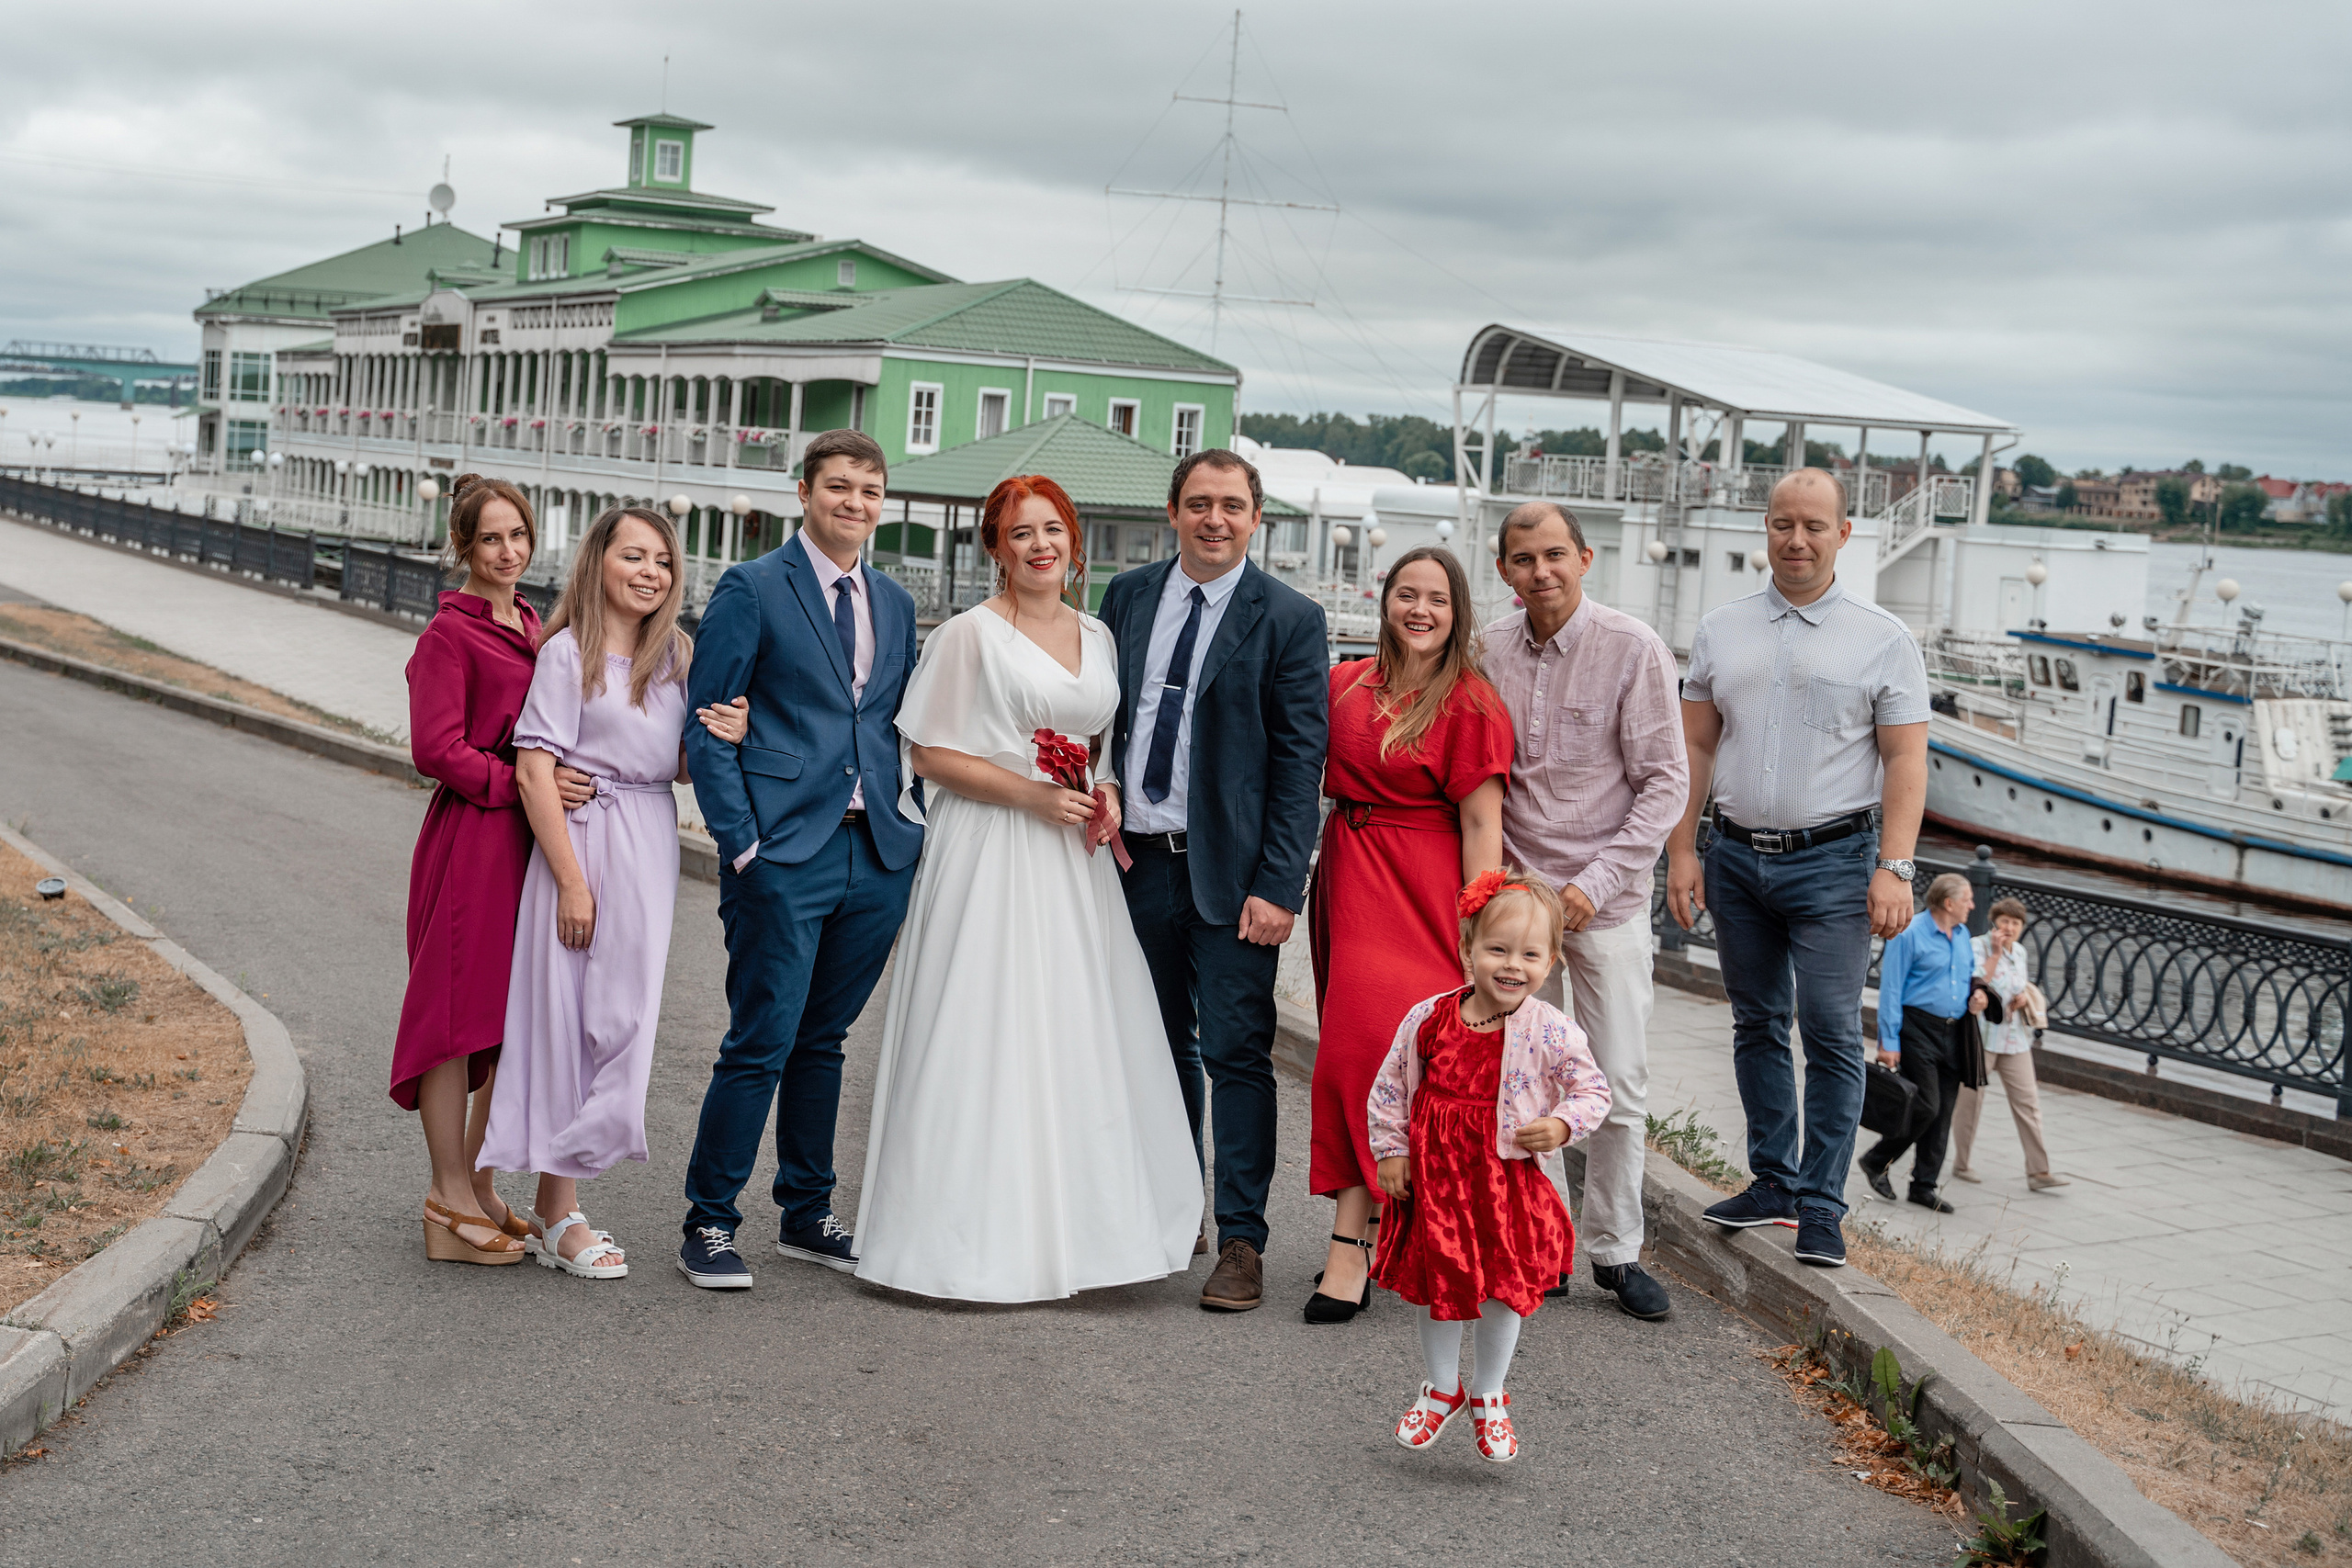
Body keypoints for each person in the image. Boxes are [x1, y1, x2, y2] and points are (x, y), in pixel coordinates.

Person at [853, 475, 1201, 1302]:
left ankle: (1078, 1234)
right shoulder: (971, 636)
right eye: (1020, 534)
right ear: (997, 548)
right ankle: (964, 1236)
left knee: (1073, 1029)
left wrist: (1104, 790)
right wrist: (1036, 796)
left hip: (1072, 860)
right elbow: (930, 754)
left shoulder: (1099, 635)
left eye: (1052, 529)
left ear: (1074, 541)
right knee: (986, 1022)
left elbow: (1097, 743)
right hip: (993, 846)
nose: (1040, 545)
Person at [675, 430, 925, 1290]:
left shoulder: (894, 602)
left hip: (877, 852)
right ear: (804, 493)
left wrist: (910, 826)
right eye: (838, 486)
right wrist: (743, 846)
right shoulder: (752, 587)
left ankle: (806, 1212)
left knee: (825, 1039)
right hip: (783, 853)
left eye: (869, 489)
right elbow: (706, 727)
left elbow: (891, 721)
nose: (854, 502)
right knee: (763, 1038)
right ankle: (709, 1220)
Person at [1665, 468, 1929, 1269]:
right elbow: (1698, 744)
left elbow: (1906, 758)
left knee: (1831, 1033)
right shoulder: (1722, 627)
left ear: (1844, 534)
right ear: (1766, 529)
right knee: (1755, 1023)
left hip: (1835, 863)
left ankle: (1822, 1204)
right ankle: (1773, 1180)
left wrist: (1898, 867)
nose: (1798, 539)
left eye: (1815, 525)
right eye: (1784, 524)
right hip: (1737, 854)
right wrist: (1682, 849)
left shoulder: (1883, 637)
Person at [477, 504, 745, 1278]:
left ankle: (560, 1199)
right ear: (599, 561)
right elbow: (535, 769)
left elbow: (685, 763)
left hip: (649, 844)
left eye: (662, 560)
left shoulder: (678, 657)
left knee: (623, 1020)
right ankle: (559, 1212)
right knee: (569, 1022)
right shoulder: (567, 654)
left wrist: (729, 728)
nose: (650, 572)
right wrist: (569, 881)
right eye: (634, 555)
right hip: (584, 844)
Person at [1100, 447, 1329, 1313]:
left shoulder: (1290, 617)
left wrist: (1281, 886)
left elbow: (1300, 761)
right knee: (1151, 1048)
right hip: (1133, 867)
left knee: (1235, 1055)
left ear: (1255, 517)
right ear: (1173, 510)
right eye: (1199, 503)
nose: (1214, 519)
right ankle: (1169, 1205)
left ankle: (1241, 1241)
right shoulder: (1126, 597)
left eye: (1231, 505)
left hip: (1233, 880)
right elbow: (1103, 716)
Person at [1481, 502, 1687, 1323]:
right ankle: (1546, 1243)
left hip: (1605, 904)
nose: (1543, 571)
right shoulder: (1488, 647)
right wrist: (1509, 892)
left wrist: (1590, 887)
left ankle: (1616, 1250)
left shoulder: (1632, 648)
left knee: (1617, 1079)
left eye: (1556, 554)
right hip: (1520, 905)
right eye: (1525, 558)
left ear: (1586, 557)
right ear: (1504, 571)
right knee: (1522, 1082)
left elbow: (1666, 784)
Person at [1305, 545, 1510, 1325]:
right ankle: (1363, 1231)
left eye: (1438, 599)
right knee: (1354, 1051)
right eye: (1405, 594)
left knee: (1405, 1061)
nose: (1420, 609)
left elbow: (1483, 822)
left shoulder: (1472, 703)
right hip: (1351, 879)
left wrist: (1478, 931)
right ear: (1385, 600)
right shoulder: (1343, 683)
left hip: (1428, 888)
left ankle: (1356, 1240)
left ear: (1457, 613)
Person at [396, 474, 596, 1265]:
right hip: (473, 843)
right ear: (464, 546)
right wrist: (519, 780)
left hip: (523, 846)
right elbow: (434, 748)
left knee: (506, 1020)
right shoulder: (449, 635)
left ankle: (475, 1184)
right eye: (490, 538)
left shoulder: (533, 625)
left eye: (518, 535)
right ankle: (445, 1197)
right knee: (451, 1022)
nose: (507, 550)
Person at [1373, 869, 1611, 1465]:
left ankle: (1489, 1392)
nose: (1512, 965)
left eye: (1529, 953)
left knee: (1505, 1288)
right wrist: (1393, 1150)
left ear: (1551, 960)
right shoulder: (1428, 1018)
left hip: (1505, 1184)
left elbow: (1593, 1091)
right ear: (1466, 949)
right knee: (1438, 1286)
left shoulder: (1550, 1030)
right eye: (1497, 948)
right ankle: (1441, 1386)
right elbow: (1390, 1088)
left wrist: (1560, 1124)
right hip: (1438, 1183)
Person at [1858, 874, 1985, 1215]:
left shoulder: (1962, 936)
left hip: (1955, 1031)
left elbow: (1966, 977)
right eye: (1968, 899)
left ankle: (1924, 1186)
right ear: (1949, 903)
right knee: (1926, 1105)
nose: (1972, 905)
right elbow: (1892, 990)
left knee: (1943, 1112)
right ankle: (1876, 1159)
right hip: (1917, 1029)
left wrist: (1976, 995)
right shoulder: (1910, 932)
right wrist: (1889, 1040)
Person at [1952, 897, 2069, 1191]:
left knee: (2028, 1103)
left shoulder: (2019, 952)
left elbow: (2018, 986)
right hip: (1983, 1037)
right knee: (1971, 1102)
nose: (2010, 928)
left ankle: (2039, 1172)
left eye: (2015, 923)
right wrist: (1994, 952)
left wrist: (2021, 999)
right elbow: (1978, 983)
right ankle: (1961, 1163)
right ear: (1995, 922)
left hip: (2015, 1038)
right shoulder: (1977, 945)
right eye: (2005, 921)